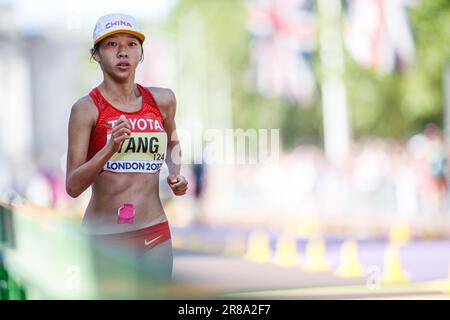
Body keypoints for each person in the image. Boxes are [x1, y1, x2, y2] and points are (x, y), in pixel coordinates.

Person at [65, 13, 188, 282]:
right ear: (95, 54)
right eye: (111, 45)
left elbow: (173, 142)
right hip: (104, 238)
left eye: (132, 44)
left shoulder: (163, 100)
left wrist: (175, 172)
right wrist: (109, 148)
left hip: (154, 231)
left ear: (141, 53)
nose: (123, 52)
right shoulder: (86, 109)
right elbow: (73, 187)